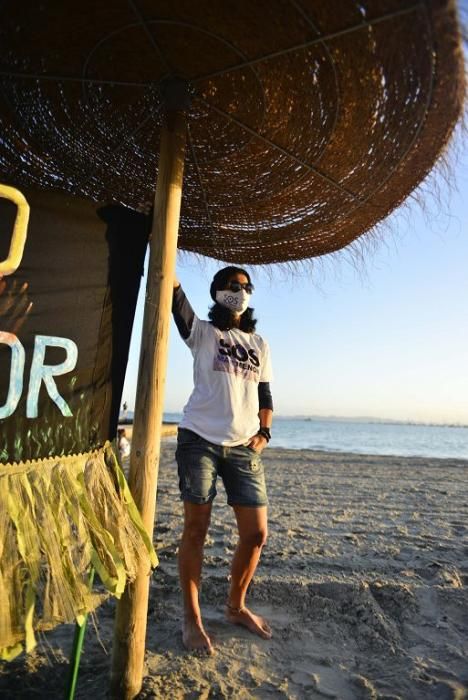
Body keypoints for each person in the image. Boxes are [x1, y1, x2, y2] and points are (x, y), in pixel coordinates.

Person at [172, 266, 274, 655]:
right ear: (216, 291)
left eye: (247, 287)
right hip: (199, 440)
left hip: (244, 449)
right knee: (196, 530)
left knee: (256, 534)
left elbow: (265, 394)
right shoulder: (202, 332)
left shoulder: (259, 343)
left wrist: (264, 433)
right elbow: (174, 296)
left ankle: (235, 607)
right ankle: (192, 618)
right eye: (233, 285)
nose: (241, 292)